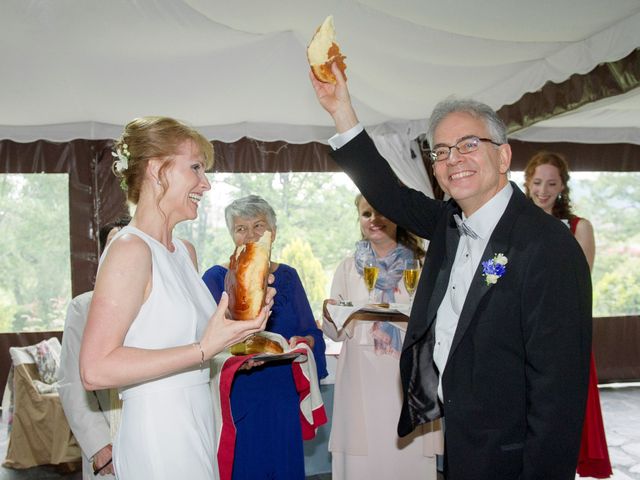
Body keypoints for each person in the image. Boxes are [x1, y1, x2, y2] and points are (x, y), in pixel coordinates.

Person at [310, 64, 592, 479]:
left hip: (512, 454)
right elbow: (386, 191)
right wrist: (341, 111)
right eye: (441, 151)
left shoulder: (547, 245)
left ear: (503, 155)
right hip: (459, 438)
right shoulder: (448, 224)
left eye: (468, 144)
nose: (452, 159)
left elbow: (559, 391)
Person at [79, 117, 271, 480]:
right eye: (196, 167)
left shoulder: (184, 252)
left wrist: (235, 339)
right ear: (156, 169)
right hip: (159, 429)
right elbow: (95, 369)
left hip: (197, 420)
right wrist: (203, 349)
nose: (207, 183)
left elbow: (178, 341)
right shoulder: (130, 249)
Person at [202, 194, 327, 480]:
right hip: (240, 393)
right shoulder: (214, 278)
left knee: (285, 468)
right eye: (241, 228)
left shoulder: (289, 276)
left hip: (283, 393)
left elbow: (310, 332)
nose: (250, 235)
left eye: (258, 226)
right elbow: (203, 342)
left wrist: (305, 342)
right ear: (231, 234)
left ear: (273, 231)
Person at [322, 193, 442, 480]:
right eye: (366, 214)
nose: (374, 220)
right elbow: (336, 332)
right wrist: (329, 316)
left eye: (382, 213)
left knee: (408, 462)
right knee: (362, 465)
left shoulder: (423, 265)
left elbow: (437, 322)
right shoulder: (348, 267)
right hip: (361, 378)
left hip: (407, 375)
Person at [525, 151, 612, 478]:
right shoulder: (510, 224)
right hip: (517, 333)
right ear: (527, 182)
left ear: (562, 186)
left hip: (561, 334)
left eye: (551, 183)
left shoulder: (578, 227)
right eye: (537, 182)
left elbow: (581, 287)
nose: (543, 190)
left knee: (560, 414)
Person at [58, 216, 130, 479]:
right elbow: (70, 383)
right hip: (109, 436)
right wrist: (98, 444)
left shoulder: (160, 305)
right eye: (113, 245)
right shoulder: (83, 307)